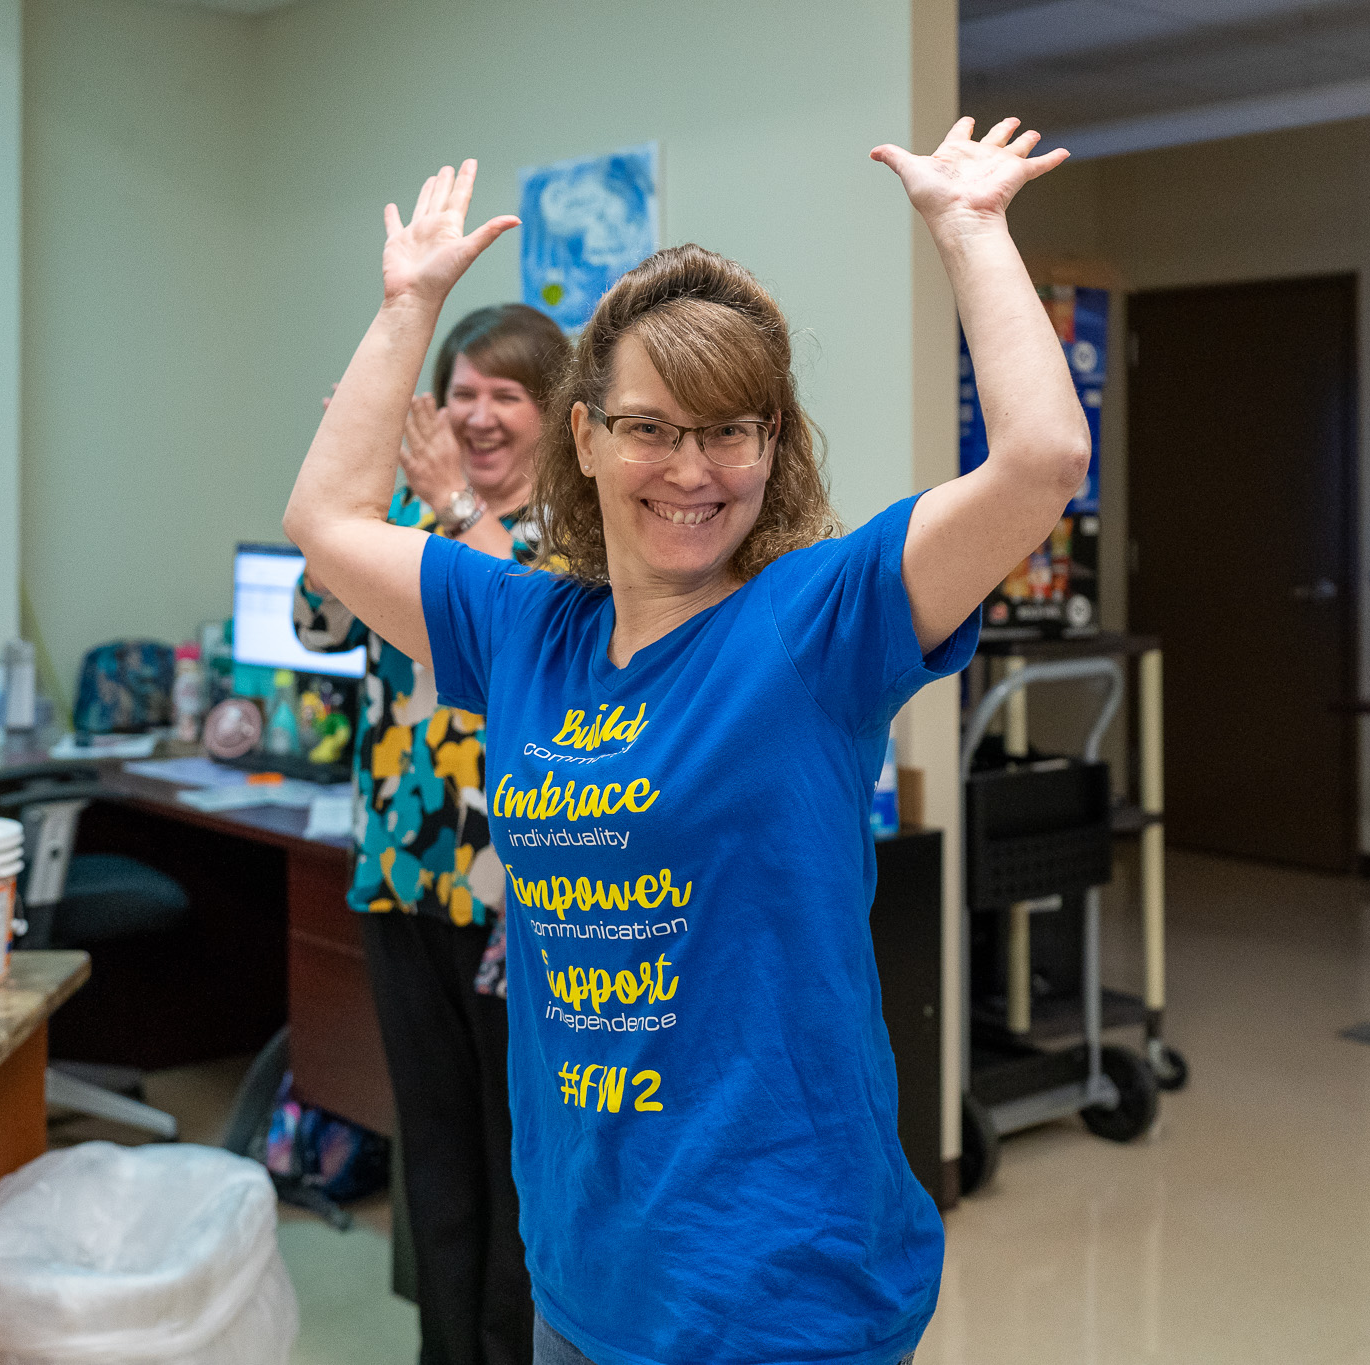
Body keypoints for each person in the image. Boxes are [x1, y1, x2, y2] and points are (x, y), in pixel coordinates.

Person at [283, 119, 1087, 1365]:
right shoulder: (525, 629)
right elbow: (325, 523)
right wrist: (406, 306)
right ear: (588, 439)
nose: (693, 469)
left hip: (779, 1284)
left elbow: (1039, 460)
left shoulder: (815, 625)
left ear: (773, 446)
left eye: (732, 431)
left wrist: (970, 230)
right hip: (584, 1268)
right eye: (653, 427)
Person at [292, 302, 568, 1365]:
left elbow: (523, 643)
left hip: (522, 904)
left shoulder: (573, 540)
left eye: (506, 394)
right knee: (436, 1158)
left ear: (556, 416)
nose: (478, 415)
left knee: (513, 1166)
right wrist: (348, 478)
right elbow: (315, 623)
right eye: (461, 393)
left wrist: (452, 504)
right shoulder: (396, 519)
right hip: (404, 880)